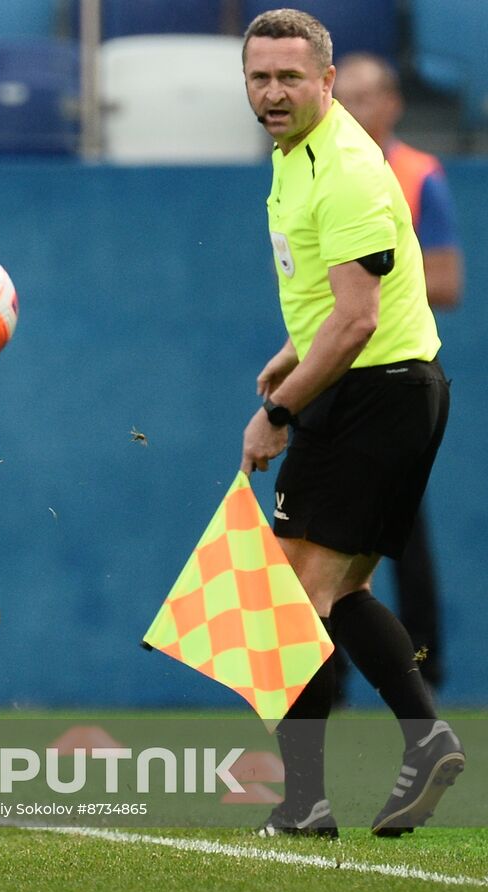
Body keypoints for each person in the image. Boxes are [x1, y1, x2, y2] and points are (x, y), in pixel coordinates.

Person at [239, 9, 463, 839]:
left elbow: (361, 318)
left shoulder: (347, 165)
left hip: (377, 389)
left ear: (326, 83)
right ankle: (424, 737)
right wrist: (291, 352)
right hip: (361, 385)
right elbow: (334, 300)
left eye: (289, 77)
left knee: (291, 599)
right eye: (260, 77)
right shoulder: (293, 155)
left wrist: (278, 409)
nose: (272, 91)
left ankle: (306, 802)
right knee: (338, 589)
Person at [333, 52, 463, 692]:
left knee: (397, 532)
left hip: (392, 373)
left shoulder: (417, 176)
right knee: (330, 537)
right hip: (332, 370)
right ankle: (328, 684)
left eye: (365, 97)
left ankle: (424, 676)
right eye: (343, 97)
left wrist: (367, 296)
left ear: (392, 105)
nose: (352, 109)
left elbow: (447, 280)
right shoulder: (318, 171)